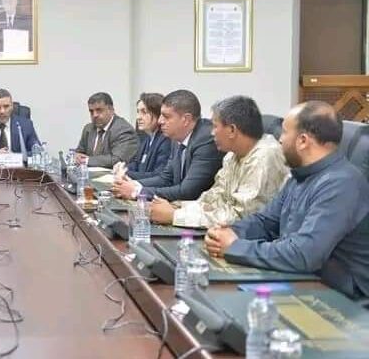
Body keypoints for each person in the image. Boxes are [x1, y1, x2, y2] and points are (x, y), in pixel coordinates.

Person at [204, 101, 369, 299]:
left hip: (339, 297)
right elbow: (266, 221)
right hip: (301, 278)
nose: (280, 139)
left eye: (284, 132)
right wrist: (229, 233)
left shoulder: (341, 184)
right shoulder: (300, 176)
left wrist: (235, 247)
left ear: (303, 141)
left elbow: (304, 255)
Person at [150, 96, 288, 228]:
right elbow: (213, 200)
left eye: (215, 126)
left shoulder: (265, 156)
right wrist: (176, 207)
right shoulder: (232, 156)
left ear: (232, 130)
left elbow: (242, 217)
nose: (212, 133)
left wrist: (175, 216)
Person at [112, 89, 223, 201]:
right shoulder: (176, 138)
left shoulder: (206, 140)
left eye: (166, 116)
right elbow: (166, 178)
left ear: (186, 119)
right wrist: (133, 184)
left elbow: (188, 191)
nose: (160, 121)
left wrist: (137, 192)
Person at [74, 92, 138, 168]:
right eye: (91, 111)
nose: (94, 115)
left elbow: (117, 159)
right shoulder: (88, 129)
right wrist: (77, 156)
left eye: (99, 110)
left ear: (111, 110)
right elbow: (79, 152)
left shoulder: (123, 129)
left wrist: (86, 160)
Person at [117, 93, 171, 179]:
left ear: (158, 114)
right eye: (138, 112)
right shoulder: (147, 138)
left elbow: (158, 175)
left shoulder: (166, 140)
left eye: (144, 112)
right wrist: (123, 167)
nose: (138, 117)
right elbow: (136, 164)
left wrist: (126, 173)